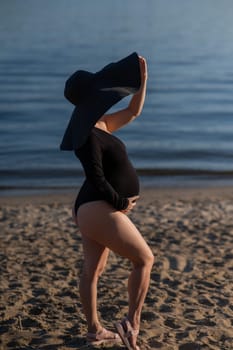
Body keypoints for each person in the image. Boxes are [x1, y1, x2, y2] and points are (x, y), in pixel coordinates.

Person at [71, 55, 154, 350]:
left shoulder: (102, 124)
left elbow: (133, 111)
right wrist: (119, 202)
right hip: (98, 206)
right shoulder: (86, 137)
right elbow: (94, 176)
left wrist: (143, 81)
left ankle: (95, 331)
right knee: (144, 260)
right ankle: (131, 324)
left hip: (92, 207)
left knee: (93, 270)